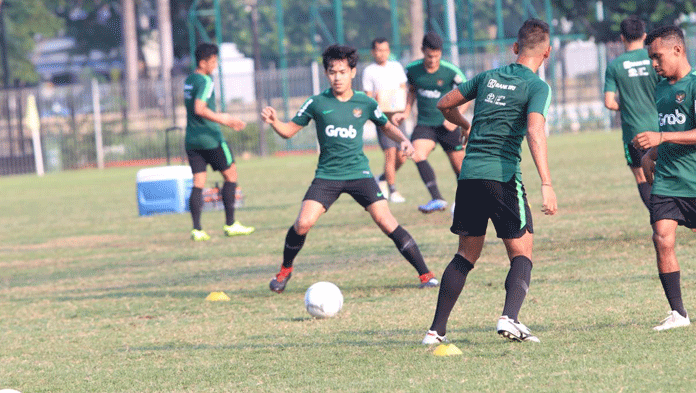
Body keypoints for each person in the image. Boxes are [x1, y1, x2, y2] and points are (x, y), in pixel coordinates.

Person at [261, 44, 439, 293]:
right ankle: (284, 271)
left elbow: (386, 126)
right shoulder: (316, 102)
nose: (337, 77)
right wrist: (274, 122)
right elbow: (289, 131)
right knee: (302, 223)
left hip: (359, 174)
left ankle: (426, 274)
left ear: (352, 72)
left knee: (386, 221)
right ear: (326, 74)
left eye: (342, 72)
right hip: (327, 176)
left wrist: (404, 141)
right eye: (333, 72)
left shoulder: (364, 102)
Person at [421, 19, 557, 344]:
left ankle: (435, 331)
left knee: (465, 254)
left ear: (515, 47)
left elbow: (444, 104)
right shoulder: (537, 86)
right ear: (547, 52)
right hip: (503, 177)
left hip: (468, 178)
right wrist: (547, 183)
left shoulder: (487, 77)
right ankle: (510, 318)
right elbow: (536, 130)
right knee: (522, 252)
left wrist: (465, 125)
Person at [633, 25, 694, 331]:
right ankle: (678, 314)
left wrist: (660, 136)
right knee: (662, 238)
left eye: (657, 56)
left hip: (694, 180)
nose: (654, 64)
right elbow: (670, 135)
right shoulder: (660, 89)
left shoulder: (694, 85)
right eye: (650, 58)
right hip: (668, 180)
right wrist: (650, 154)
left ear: (677, 50)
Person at [392, 32, 470, 213]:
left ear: (441, 54)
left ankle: (467, 201)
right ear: (422, 51)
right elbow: (411, 91)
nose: (433, 60)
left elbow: (466, 96)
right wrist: (405, 112)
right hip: (425, 124)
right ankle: (436, 198)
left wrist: (455, 118)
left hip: (448, 125)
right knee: (417, 154)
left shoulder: (451, 71)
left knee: (461, 167)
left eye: (436, 56)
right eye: (429, 56)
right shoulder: (412, 70)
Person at [184, 43, 255, 241]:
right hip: (211, 138)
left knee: (198, 182)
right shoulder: (206, 80)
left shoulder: (189, 80)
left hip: (192, 140)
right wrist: (225, 119)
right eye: (213, 62)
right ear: (203, 62)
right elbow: (200, 108)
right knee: (231, 175)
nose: (215, 65)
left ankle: (197, 229)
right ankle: (231, 224)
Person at [604, 16, 660, 210]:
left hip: (632, 132)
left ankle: (658, 217)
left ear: (622, 38)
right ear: (644, 36)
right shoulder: (655, 58)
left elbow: (609, 102)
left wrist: (627, 104)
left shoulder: (614, 65)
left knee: (641, 176)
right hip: (660, 128)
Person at [362, 37, 408, 203]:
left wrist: (402, 109)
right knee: (390, 154)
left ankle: (381, 178)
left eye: (385, 50)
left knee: (403, 155)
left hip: (398, 118)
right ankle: (393, 190)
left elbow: (403, 88)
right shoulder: (369, 71)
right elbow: (368, 96)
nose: (382, 53)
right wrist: (376, 102)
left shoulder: (396, 67)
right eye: (378, 50)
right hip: (382, 119)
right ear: (373, 52)